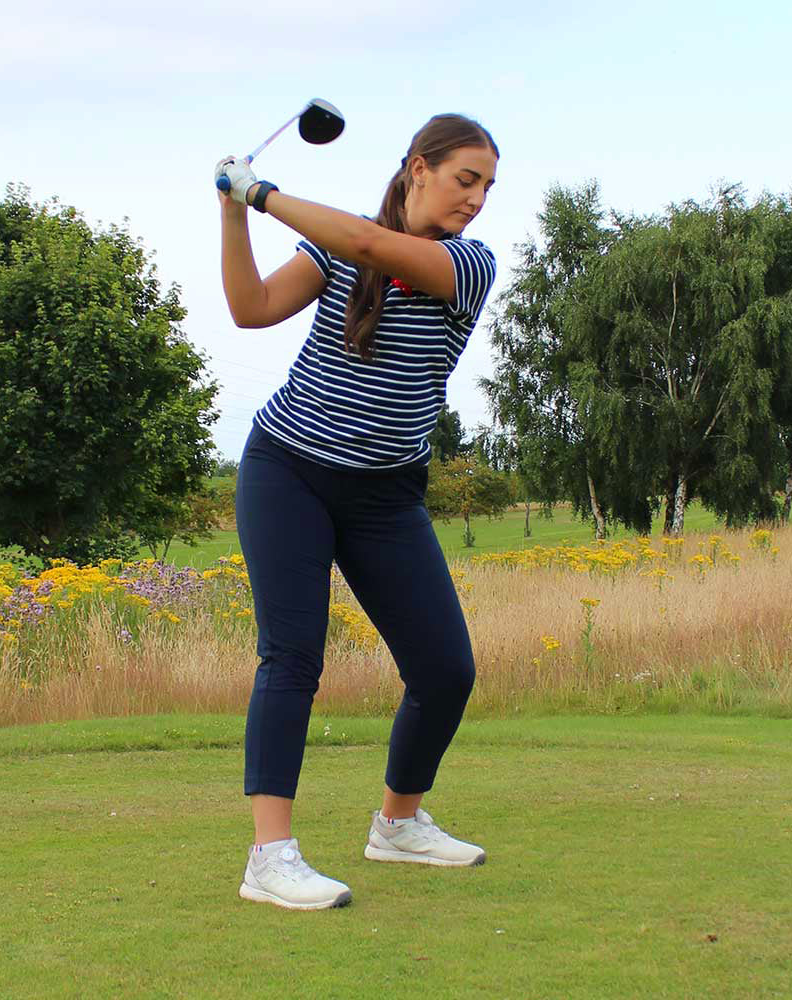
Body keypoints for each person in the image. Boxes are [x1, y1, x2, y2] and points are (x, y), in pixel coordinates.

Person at [216, 113, 499, 911]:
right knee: (293, 656)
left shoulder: (467, 263)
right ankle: (270, 857)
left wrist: (260, 189)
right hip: (288, 471)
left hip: (385, 494)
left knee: (446, 670)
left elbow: (373, 248)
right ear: (418, 168)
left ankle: (397, 825)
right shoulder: (335, 247)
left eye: (486, 186)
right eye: (464, 178)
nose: (476, 199)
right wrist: (233, 211)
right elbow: (251, 308)